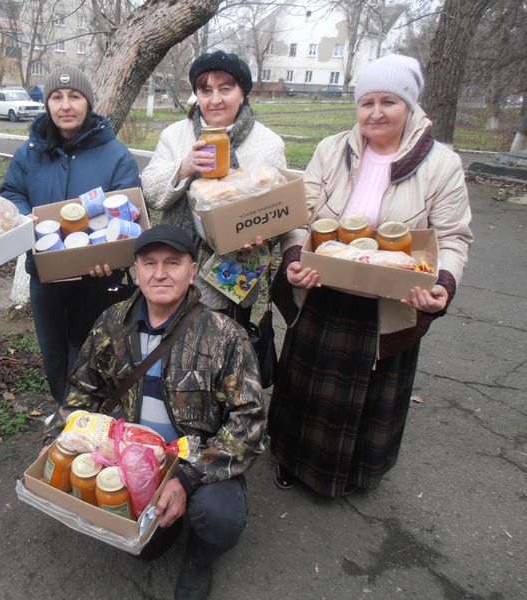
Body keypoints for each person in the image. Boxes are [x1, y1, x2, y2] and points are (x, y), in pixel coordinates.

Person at [268, 54, 473, 497]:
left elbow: (453, 238)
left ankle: (358, 472)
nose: (376, 113)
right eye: (367, 102)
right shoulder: (331, 150)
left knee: (372, 395)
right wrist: (293, 261)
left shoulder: (441, 165)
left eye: (389, 101)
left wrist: (442, 285)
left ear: (410, 106)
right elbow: (300, 218)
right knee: (306, 388)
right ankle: (290, 456)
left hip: (388, 301)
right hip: (324, 292)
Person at [49, 224, 265, 600]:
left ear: (193, 270)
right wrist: (69, 442)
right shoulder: (112, 323)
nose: (160, 273)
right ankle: (155, 521)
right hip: (125, 455)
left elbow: (248, 422)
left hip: (193, 458)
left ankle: (200, 558)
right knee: (145, 551)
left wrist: (186, 477)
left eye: (172, 263)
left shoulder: (224, 335)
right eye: (149, 263)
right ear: (135, 270)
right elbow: (83, 389)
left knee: (220, 518)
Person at [0, 65, 141, 405]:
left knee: (92, 352)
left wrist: (111, 251)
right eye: (57, 97)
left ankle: (91, 419)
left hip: (97, 277)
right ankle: (65, 416)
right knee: (54, 354)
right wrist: (23, 215)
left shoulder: (115, 154)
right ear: (47, 104)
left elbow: (129, 207)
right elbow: (11, 193)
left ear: (88, 103)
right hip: (45, 275)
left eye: (75, 96)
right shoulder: (30, 152)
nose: (66, 105)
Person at [142, 50, 286, 328]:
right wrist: (183, 168)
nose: (215, 99)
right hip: (173, 269)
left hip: (232, 274)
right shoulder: (176, 134)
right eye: (206, 90)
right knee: (171, 351)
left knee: (222, 353)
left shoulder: (267, 143)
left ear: (242, 93)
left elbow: (279, 211)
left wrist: (261, 233)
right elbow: (150, 193)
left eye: (226, 88)